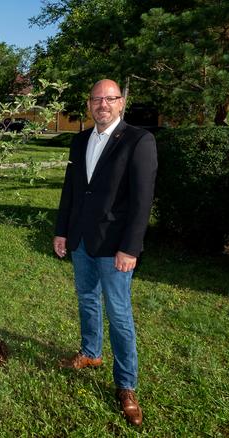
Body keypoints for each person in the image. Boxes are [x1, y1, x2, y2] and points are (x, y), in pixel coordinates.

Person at [53, 79, 157, 426]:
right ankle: (91, 353)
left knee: (120, 314)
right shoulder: (80, 139)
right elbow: (71, 191)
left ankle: (126, 385)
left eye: (109, 99)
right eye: (97, 99)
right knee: (86, 298)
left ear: (121, 103)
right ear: (88, 104)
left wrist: (131, 247)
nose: (103, 104)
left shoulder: (138, 140)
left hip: (115, 247)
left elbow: (142, 202)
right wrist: (62, 230)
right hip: (82, 241)